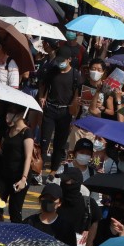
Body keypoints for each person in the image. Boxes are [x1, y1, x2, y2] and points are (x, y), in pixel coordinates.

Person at [38, 45, 79, 174]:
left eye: (62, 60)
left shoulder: (75, 74)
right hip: (50, 109)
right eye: (58, 60)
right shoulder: (52, 71)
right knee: (44, 141)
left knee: (59, 143)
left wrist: (73, 110)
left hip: (65, 112)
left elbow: (77, 93)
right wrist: (42, 97)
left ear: (69, 60)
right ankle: (38, 169)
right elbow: (43, 85)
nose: (60, 63)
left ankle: (53, 171)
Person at [0, 104, 33, 223]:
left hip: (18, 177)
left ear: (21, 115)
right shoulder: (8, 130)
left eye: (12, 112)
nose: (8, 115)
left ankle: (16, 233)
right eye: (8, 112)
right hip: (4, 174)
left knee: (14, 210)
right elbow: (6, 153)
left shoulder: (26, 132)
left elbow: (28, 157)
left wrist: (23, 179)